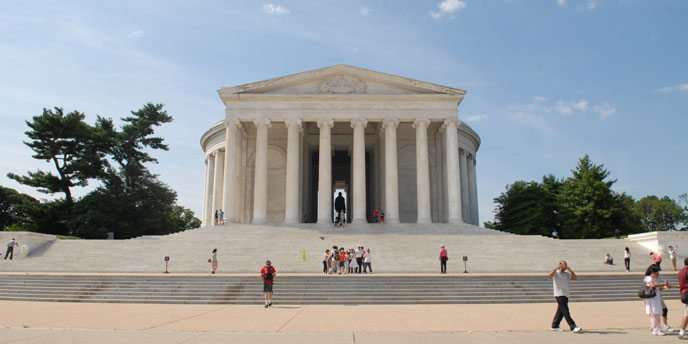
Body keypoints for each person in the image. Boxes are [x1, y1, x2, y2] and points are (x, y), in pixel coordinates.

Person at [548, 261, 582, 333]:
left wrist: (570, 270)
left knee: (560, 311)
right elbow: (550, 274)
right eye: (562, 265)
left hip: (565, 294)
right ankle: (573, 326)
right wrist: (557, 267)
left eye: (565, 265)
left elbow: (575, 278)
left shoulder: (566, 274)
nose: (563, 266)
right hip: (559, 294)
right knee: (566, 311)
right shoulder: (556, 273)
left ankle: (555, 325)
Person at [643, 264, 668, 335]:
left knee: (657, 314)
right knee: (654, 315)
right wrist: (663, 284)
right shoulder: (649, 278)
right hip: (652, 300)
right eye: (657, 273)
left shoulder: (653, 279)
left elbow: (657, 288)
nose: (658, 275)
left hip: (655, 299)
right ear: (653, 273)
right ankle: (656, 329)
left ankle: (657, 328)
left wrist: (664, 287)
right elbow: (652, 285)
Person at [678, 258, 688, 338]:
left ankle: (682, 331)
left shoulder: (681, 271)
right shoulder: (687, 271)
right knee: (687, 313)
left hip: (684, 293)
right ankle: (682, 331)